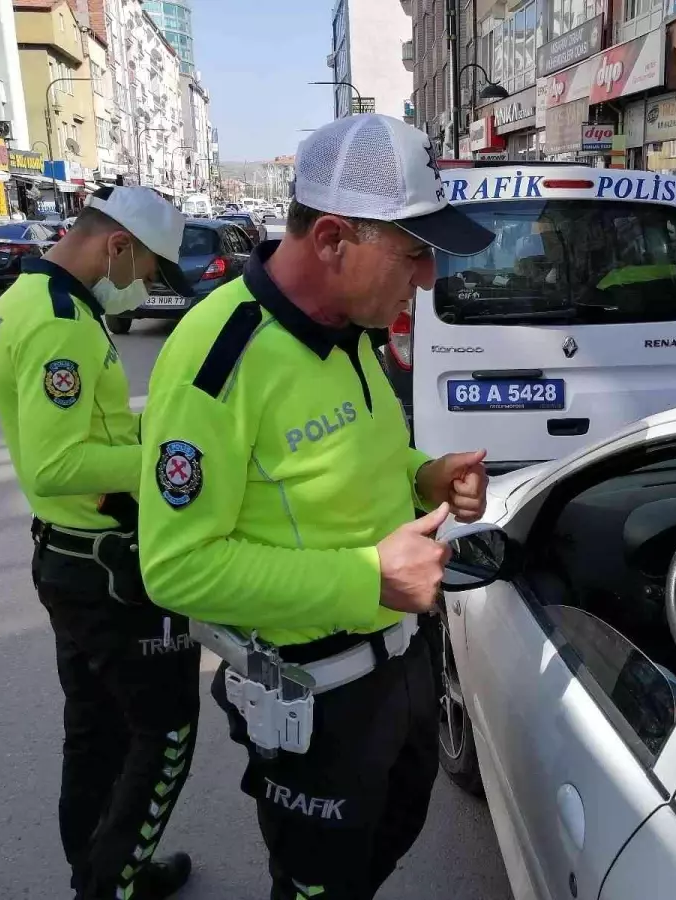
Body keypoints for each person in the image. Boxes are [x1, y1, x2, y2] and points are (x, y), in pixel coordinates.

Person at [137, 113, 495, 900]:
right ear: (333, 238)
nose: (428, 279)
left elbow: (345, 460)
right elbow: (175, 567)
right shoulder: (218, 355)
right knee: (318, 885)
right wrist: (367, 577)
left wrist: (424, 475)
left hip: (401, 666)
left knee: (386, 842)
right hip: (318, 700)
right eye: (414, 254)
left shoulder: (347, 328)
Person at [0, 185, 201, 900]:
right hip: (104, 569)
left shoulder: (28, 297)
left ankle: (102, 870)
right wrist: (172, 458)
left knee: (97, 731)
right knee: (164, 733)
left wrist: (145, 427)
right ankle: (109, 885)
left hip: (67, 555)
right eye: (141, 270)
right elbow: (57, 462)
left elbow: (81, 436)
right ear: (116, 245)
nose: (138, 286)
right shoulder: (59, 323)